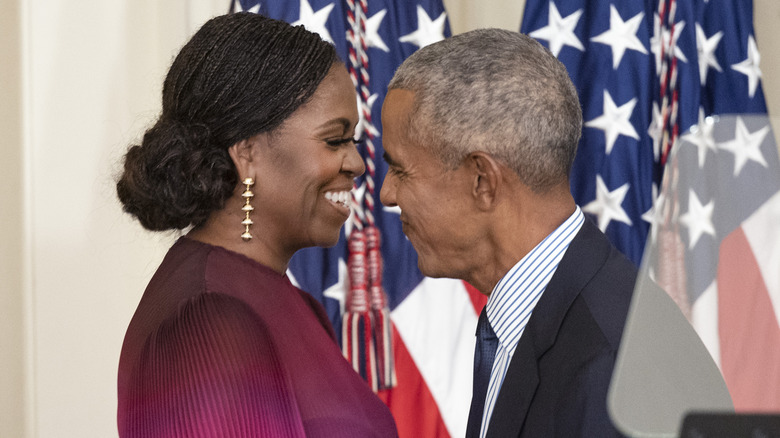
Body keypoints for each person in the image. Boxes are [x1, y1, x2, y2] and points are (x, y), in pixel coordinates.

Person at [116, 13, 398, 438]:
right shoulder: (210, 317)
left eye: (354, 140)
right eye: (335, 140)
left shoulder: (289, 304)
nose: (358, 163)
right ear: (247, 151)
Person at [380, 29, 634, 437]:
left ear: (482, 180)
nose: (387, 194)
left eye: (400, 170)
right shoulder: (546, 315)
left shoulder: (610, 368)